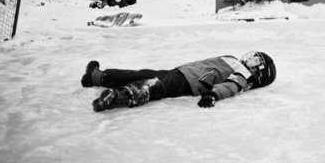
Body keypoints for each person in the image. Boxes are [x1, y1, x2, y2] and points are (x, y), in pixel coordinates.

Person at [80, 51, 276, 112]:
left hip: (185, 78)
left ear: (257, 72)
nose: (249, 59)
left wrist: (212, 94)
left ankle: (115, 93)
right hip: (183, 75)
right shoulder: (234, 61)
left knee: (149, 82)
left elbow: (230, 86)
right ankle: (98, 78)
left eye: (254, 61)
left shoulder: (243, 75)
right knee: (144, 78)